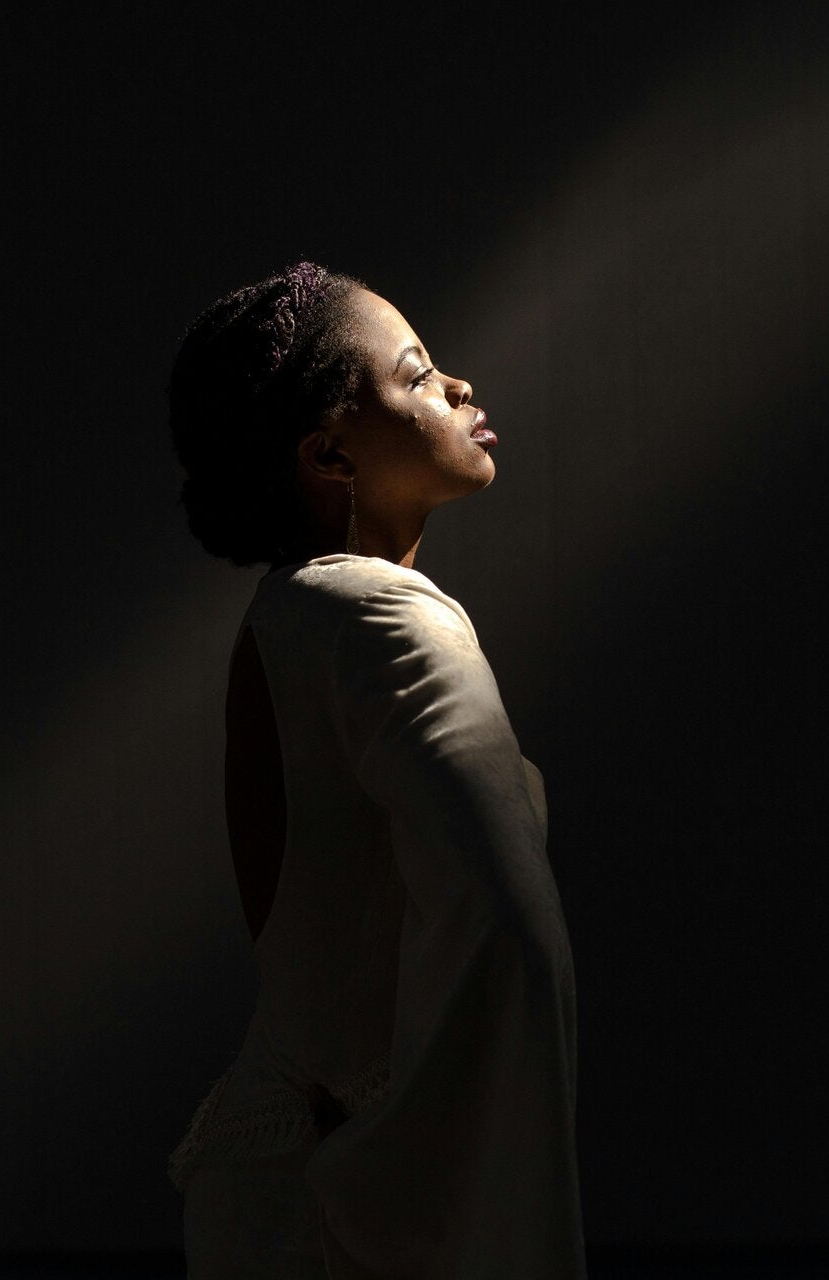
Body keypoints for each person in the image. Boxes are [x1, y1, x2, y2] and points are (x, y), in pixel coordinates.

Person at [165, 261, 586, 1278]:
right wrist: (405, 1188)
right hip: (340, 1216)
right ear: (330, 452)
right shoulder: (374, 611)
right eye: (419, 374)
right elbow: (514, 938)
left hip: (277, 1190)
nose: (460, 386)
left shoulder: (293, 614)